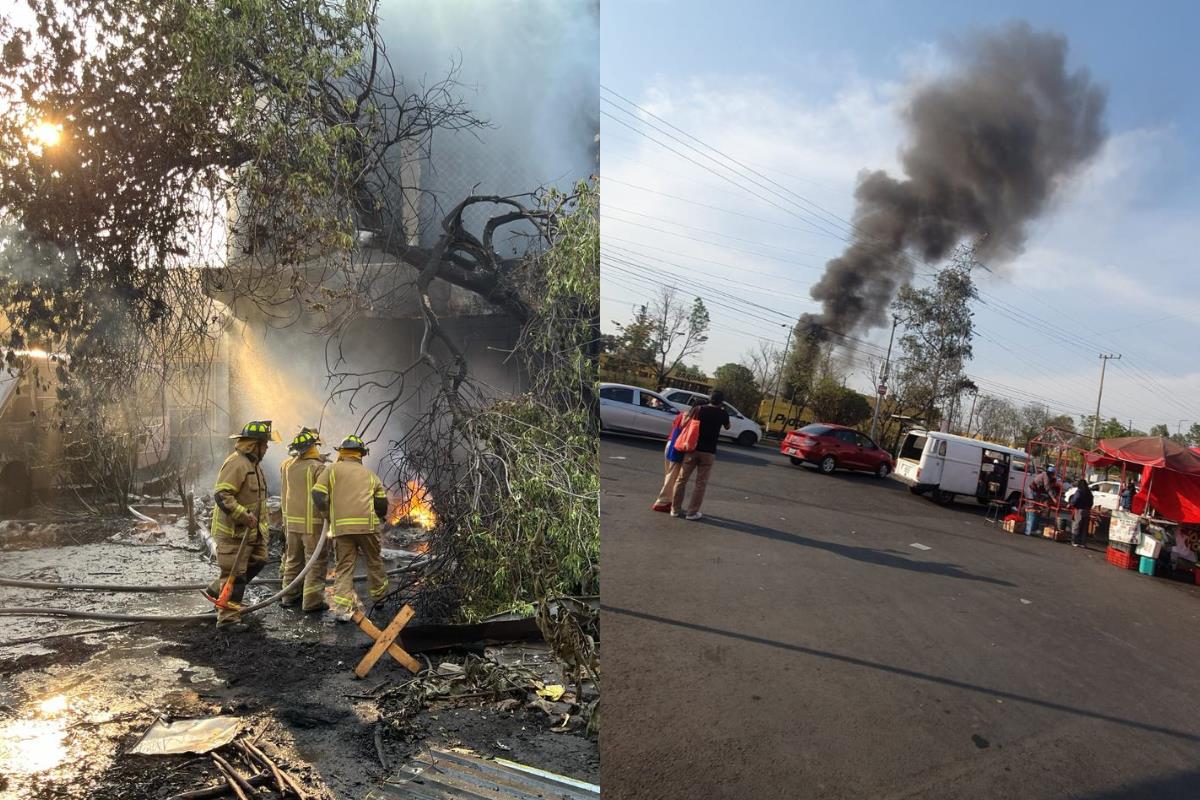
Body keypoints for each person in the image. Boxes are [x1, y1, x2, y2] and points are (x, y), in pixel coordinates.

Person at [311, 434, 390, 622]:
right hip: (368, 528)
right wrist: (379, 516)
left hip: (342, 530)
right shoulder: (370, 475)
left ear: (342, 453)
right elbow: (381, 503)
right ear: (360, 455)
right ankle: (380, 599)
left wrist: (326, 514)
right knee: (374, 561)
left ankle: (342, 610)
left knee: (344, 567)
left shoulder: (331, 470)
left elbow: (317, 494)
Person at [205, 420, 275, 629]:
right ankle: (227, 618)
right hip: (234, 532)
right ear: (255, 445)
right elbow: (222, 494)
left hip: (252, 533)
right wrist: (244, 516)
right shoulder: (237, 463)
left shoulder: (253, 465)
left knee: (260, 560)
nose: (267, 448)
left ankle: (218, 591)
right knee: (235, 574)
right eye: (265, 444)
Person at [279, 428, 330, 612]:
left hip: (292, 525)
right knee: (315, 563)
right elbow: (321, 495)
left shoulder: (289, 465)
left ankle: (288, 597)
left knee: (293, 560)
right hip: (312, 525)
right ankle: (312, 602)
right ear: (312, 447)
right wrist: (328, 516)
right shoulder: (318, 467)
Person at [670, 390, 731, 521]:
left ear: (709, 399)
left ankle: (675, 509)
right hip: (709, 452)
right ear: (721, 402)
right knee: (700, 484)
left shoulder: (698, 409)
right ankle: (691, 513)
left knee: (682, 479)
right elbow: (727, 427)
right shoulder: (723, 413)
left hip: (692, 448)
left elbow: (684, 424)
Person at [651, 409, 687, 512]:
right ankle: (662, 501)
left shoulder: (682, 413)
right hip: (677, 445)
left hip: (670, 442)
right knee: (673, 476)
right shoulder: (690, 416)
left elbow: (673, 425)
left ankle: (668, 500)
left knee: (669, 474)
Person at [1024, 464, 1060, 536]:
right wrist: (1053, 498)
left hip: (1036, 492)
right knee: (1032, 508)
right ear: (1050, 473)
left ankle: (1032, 529)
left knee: (1036, 509)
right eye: (1052, 474)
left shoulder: (1048, 477)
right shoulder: (1045, 476)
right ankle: (1029, 530)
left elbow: (1049, 488)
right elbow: (1047, 488)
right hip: (1032, 491)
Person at [1069, 477, 1094, 548]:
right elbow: (1092, 502)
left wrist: (1071, 504)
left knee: (1077, 525)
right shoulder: (1089, 492)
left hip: (1080, 510)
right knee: (1084, 527)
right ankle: (1082, 542)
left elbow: (1075, 500)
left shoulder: (1079, 491)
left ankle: (1075, 541)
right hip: (1087, 510)